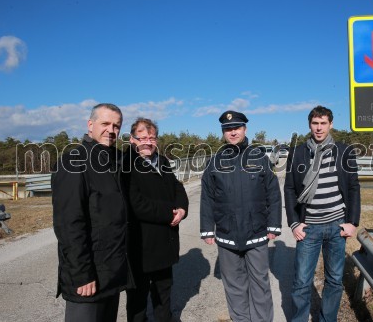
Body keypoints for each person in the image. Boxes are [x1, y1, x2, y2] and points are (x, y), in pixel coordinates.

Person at [200, 110, 282, 322]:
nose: (233, 132)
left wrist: (274, 225)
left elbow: (273, 193)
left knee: (260, 284)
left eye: (236, 127)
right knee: (234, 287)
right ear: (223, 132)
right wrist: (207, 229)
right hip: (227, 235)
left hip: (256, 233)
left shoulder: (260, 158)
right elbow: (207, 197)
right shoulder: (214, 162)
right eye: (228, 129)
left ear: (245, 129)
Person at [52, 103, 131, 322]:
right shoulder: (74, 162)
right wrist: (81, 274)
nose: (111, 130)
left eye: (117, 125)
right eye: (105, 123)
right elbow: (69, 226)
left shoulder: (113, 161)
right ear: (90, 124)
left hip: (111, 271)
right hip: (87, 276)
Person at [284, 105, 361, 322]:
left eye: (323, 123)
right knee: (301, 282)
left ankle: (327, 319)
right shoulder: (298, 152)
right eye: (315, 124)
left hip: (337, 226)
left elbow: (353, 187)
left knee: (335, 280)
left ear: (331, 124)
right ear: (310, 125)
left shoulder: (344, 151)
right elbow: (289, 188)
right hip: (309, 227)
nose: (319, 128)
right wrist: (294, 223)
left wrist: (352, 222)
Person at [124, 118, 188, 322]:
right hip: (141, 245)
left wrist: (182, 209)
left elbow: (177, 186)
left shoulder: (162, 161)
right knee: (138, 299)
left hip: (164, 242)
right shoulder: (126, 164)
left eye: (151, 138)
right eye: (142, 138)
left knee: (164, 292)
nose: (147, 142)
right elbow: (136, 203)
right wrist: (170, 213)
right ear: (132, 140)